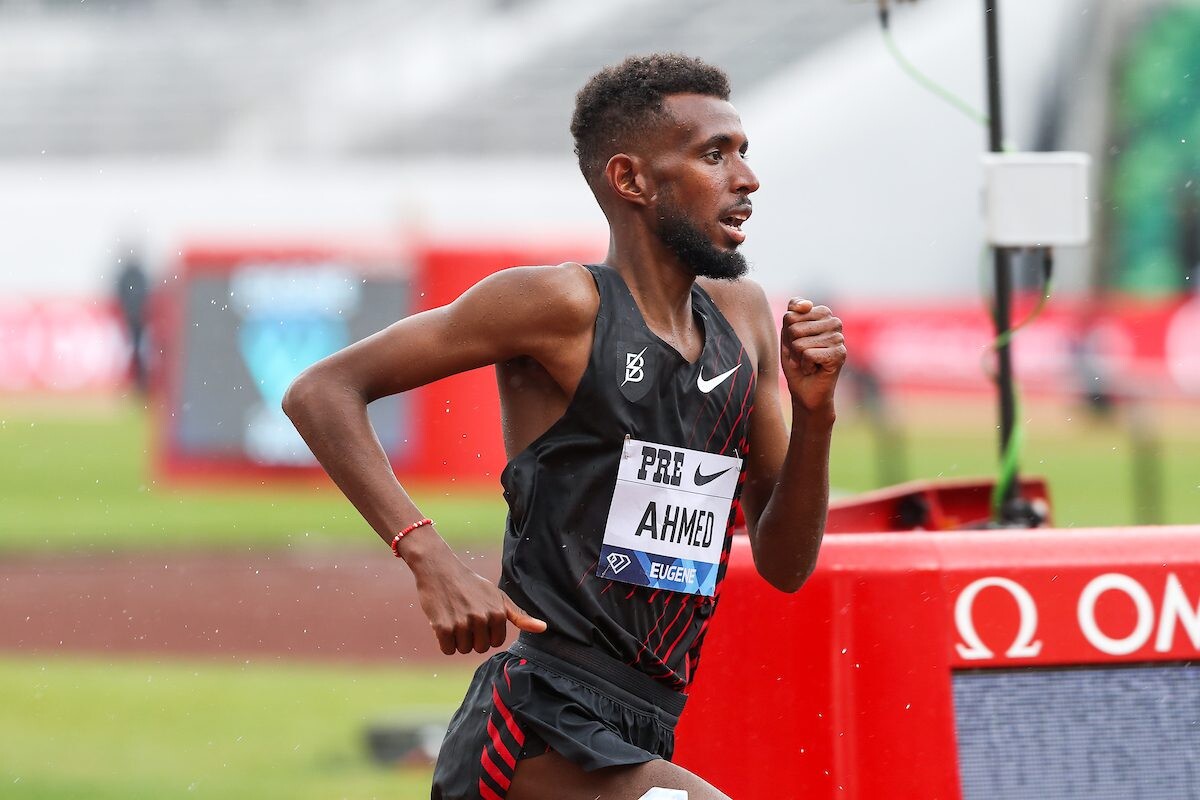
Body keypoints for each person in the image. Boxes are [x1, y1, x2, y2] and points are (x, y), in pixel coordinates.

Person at [284, 53, 846, 800]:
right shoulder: (559, 306)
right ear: (631, 179)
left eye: (744, 152)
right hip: (537, 725)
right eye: (715, 155)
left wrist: (816, 416)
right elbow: (322, 391)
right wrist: (429, 557)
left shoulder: (741, 319)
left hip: (644, 721)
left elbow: (785, 562)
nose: (747, 178)